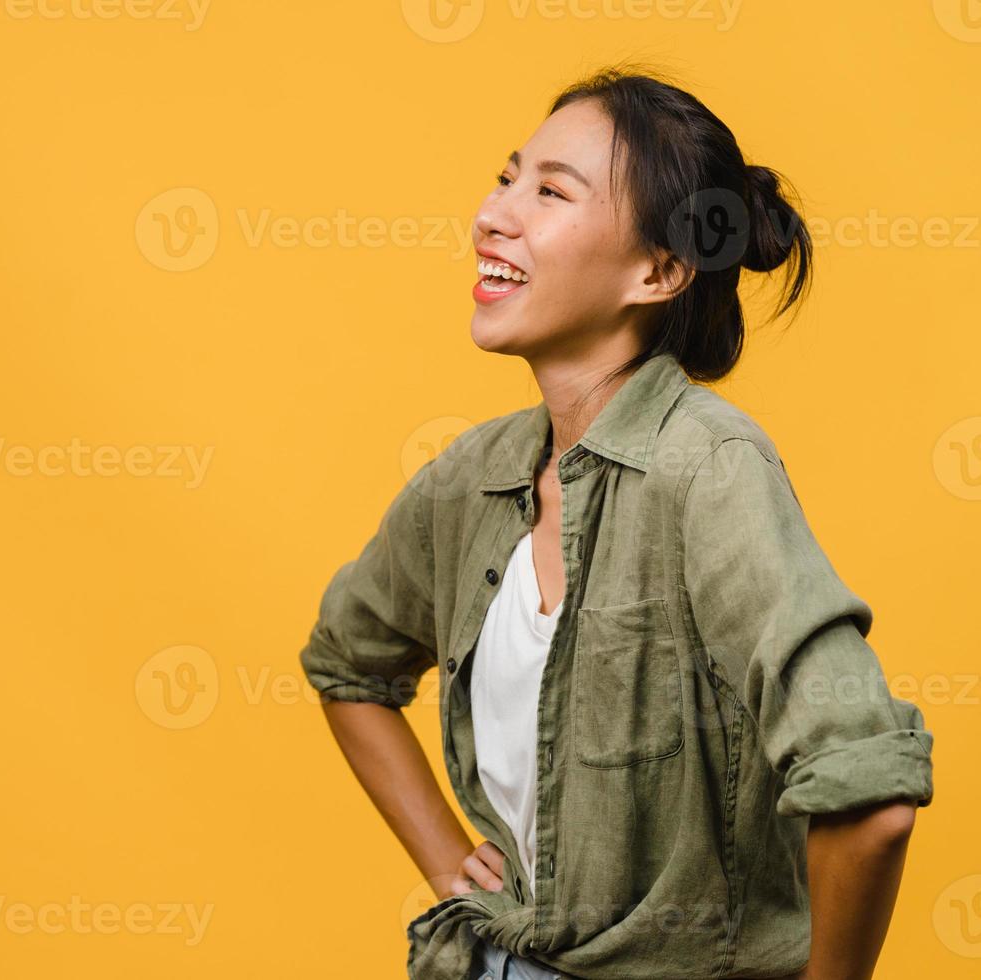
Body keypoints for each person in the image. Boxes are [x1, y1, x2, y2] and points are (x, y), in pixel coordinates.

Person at [298, 64, 935, 980]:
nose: (493, 212)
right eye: (508, 175)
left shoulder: (710, 471)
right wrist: (447, 861)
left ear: (659, 269)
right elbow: (346, 664)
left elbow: (869, 794)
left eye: (550, 191)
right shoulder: (474, 476)